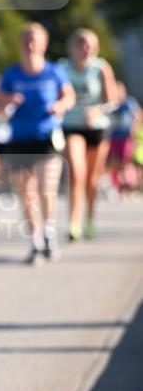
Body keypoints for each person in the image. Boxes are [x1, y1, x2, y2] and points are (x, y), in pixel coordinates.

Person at [0, 23, 76, 264]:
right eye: (26, 39)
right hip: (19, 138)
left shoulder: (54, 72)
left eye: (35, 39)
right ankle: (35, 241)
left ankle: (50, 235)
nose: (30, 44)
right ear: (21, 44)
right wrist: (8, 100)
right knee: (26, 194)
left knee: (46, 188)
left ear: (44, 44)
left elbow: (69, 96)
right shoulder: (11, 74)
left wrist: (59, 107)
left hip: (46, 136)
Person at [59, 28, 118, 240]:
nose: (85, 49)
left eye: (90, 45)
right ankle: (73, 223)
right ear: (73, 46)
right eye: (81, 44)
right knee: (76, 173)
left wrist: (98, 110)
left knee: (92, 179)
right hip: (72, 125)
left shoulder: (101, 67)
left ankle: (90, 219)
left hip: (96, 127)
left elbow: (113, 100)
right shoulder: (63, 67)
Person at [108, 82, 140, 196]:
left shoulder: (129, 102)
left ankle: (130, 184)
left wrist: (134, 129)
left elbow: (137, 115)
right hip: (113, 136)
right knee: (114, 162)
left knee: (126, 161)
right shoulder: (112, 103)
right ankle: (118, 185)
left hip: (126, 136)